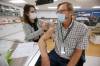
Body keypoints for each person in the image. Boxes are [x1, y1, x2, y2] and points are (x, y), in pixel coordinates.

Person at [36, 2, 89, 66]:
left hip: (69, 58)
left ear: (71, 12)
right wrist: (45, 58)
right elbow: (41, 40)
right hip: (56, 54)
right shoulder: (55, 26)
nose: (59, 14)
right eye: (58, 12)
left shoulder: (82, 28)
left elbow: (78, 52)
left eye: (62, 11)